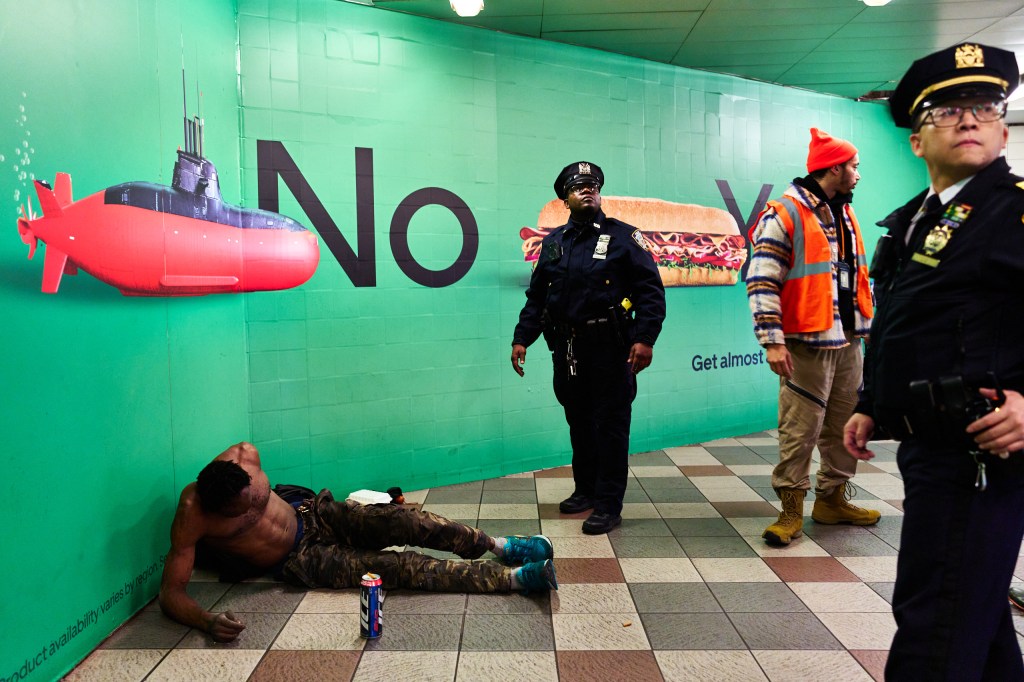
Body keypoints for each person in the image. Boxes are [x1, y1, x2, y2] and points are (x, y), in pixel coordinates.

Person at [842, 43, 1024, 680]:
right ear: (918, 140)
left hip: (979, 451)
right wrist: (871, 404)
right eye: (947, 110)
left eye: (982, 106)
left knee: (934, 623)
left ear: (1003, 127)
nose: (968, 119)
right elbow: (904, 322)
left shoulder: (1014, 210)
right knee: (975, 616)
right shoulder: (918, 222)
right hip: (931, 446)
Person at [159, 442, 557, 642]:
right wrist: (207, 621)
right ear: (218, 507)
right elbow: (171, 593)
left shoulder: (245, 454)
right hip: (301, 557)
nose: (252, 511)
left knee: (409, 521)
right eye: (241, 513)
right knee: (395, 569)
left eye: (255, 501)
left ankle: (503, 546)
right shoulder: (193, 513)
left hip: (315, 513)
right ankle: (517, 579)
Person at [511, 162, 666, 535]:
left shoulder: (624, 238)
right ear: (565, 197)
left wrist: (645, 339)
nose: (587, 191)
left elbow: (650, 292)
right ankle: (586, 490)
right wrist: (522, 337)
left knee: (610, 426)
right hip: (567, 350)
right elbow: (538, 296)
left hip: (611, 350)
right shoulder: (554, 243)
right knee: (578, 423)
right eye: (578, 186)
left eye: (592, 185)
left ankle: (609, 504)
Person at [746, 128, 880, 545]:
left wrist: (868, 331)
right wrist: (773, 340)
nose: (858, 174)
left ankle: (832, 500)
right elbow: (762, 280)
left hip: (848, 341)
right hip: (806, 343)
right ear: (835, 167)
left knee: (844, 426)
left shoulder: (845, 213)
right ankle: (789, 513)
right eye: (854, 167)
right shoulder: (783, 214)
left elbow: (856, 278)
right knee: (799, 428)